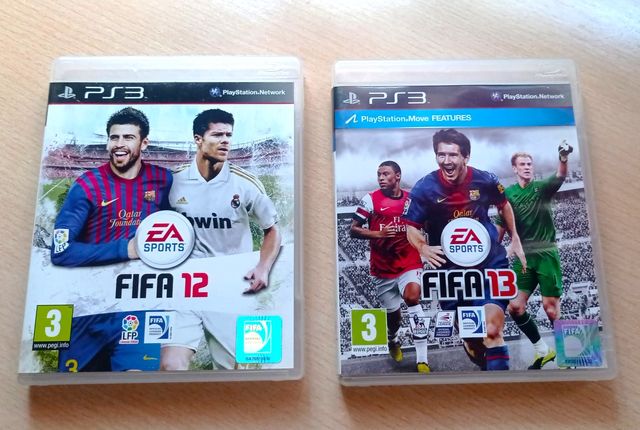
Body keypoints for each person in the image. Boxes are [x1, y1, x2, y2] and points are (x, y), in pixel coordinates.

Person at [53, 107, 173, 371]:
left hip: (140, 305)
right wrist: (125, 249)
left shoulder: (164, 180)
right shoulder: (86, 186)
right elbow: (60, 251)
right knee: (75, 389)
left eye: (128, 137)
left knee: (138, 383)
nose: (119, 144)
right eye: (114, 137)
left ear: (144, 143)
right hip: (88, 309)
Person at [161, 108, 281, 370]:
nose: (225, 140)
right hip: (185, 285)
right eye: (217, 135)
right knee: (170, 365)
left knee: (232, 372)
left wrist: (263, 267)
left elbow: (272, 229)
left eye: (229, 135)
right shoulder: (173, 181)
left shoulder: (245, 184)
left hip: (230, 288)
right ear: (198, 139)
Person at [403, 128, 526, 371]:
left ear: (466, 157)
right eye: (441, 155)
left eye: (453, 155)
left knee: (491, 330)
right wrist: (422, 247)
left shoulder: (485, 180)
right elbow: (411, 227)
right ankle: (482, 362)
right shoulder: (424, 188)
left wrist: (515, 238)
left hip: (487, 264)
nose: (446, 161)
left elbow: (504, 205)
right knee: (472, 340)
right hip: (450, 273)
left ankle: (500, 387)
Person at [350, 161, 431, 374]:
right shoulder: (370, 200)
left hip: (409, 262)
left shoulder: (412, 200)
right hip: (383, 268)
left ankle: (422, 360)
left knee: (412, 298)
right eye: (379, 174)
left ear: (397, 176)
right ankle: (393, 339)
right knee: (393, 318)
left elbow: (426, 224)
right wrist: (378, 234)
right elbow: (353, 230)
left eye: (385, 174)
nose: (381, 178)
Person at [498, 142, 573, 369]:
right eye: (522, 164)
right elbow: (501, 226)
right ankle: (543, 351)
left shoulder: (541, 188)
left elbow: (560, 176)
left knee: (550, 308)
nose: (527, 167)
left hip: (546, 253)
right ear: (514, 168)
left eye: (529, 164)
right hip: (523, 257)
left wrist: (563, 158)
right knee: (514, 306)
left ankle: (567, 358)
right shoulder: (508, 195)